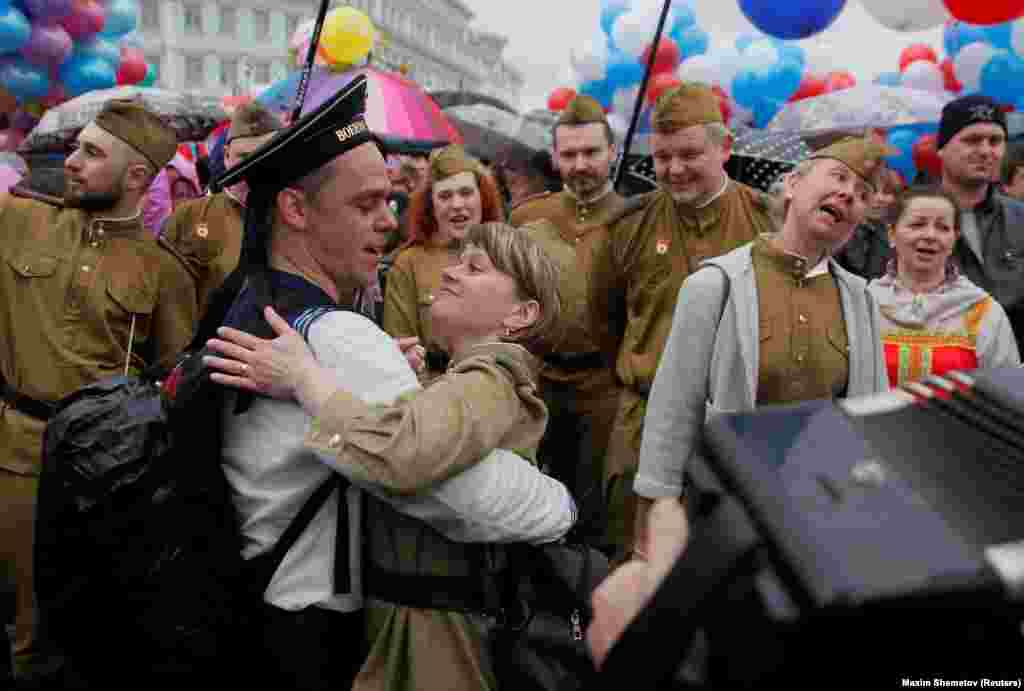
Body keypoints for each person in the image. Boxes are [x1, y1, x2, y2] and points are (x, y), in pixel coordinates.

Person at [203, 221, 572, 691]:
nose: (452, 273)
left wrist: (306, 379)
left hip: (439, 629)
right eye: (457, 261)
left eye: (475, 267)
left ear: (521, 314)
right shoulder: (469, 381)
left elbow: (408, 454)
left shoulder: (491, 378)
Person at [0, 97, 196, 686]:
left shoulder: (164, 272)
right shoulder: (19, 220)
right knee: (19, 624)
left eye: (92, 152)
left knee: (79, 630)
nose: (73, 160)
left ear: (138, 176)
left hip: (101, 478)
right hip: (14, 453)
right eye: (76, 147)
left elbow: (174, 385)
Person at [634, 136, 892, 548]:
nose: (848, 194)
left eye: (862, 194)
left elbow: (869, 419)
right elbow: (673, 409)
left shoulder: (862, 300)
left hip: (820, 517)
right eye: (839, 177)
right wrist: (654, 515)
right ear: (792, 184)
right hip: (726, 513)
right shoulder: (714, 285)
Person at [587, 82, 774, 557]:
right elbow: (604, 321)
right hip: (643, 423)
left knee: (723, 563)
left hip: (733, 428)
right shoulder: (630, 225)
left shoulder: (767, 223)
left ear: (724, 148)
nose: (672, 170)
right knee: (635, 561)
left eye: (689, 154)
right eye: (662, 157)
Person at [508, 94, 627, 549]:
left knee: (594, 515)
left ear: (611, 152)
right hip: (535, 383)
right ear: (555, 158)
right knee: (529, 506)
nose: (581, 164)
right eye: (570, 154)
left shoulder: (636, 221)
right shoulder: (527, 218)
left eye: (592, 152)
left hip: (605, 388)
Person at [868, 185, 1020, 386]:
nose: (930, 235)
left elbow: (1006, 392)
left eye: (943, 227)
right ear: (891, 234)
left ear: (954, 239)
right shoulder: (864, 304)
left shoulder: (982, 311)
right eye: (917, 224)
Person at [382, 145, 505, 379]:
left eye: (466, 193)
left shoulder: (505, 254)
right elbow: (402, 351)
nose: (457, 204)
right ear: (431, 205)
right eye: (445, 196)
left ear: (483, 198)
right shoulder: (409, 264)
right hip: (436, 397)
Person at [161, 101, 283, 334]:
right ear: (226, 156)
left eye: (266, 156)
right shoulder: (191, 217)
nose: (254, 166)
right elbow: (169, 308)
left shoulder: (295, 218)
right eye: (244, 156)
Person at [936, 94, 1024, 356]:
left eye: (995, 141)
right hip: (942, 380)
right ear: (942, 147)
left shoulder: (1020, 219)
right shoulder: (909, 221)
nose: (985, 150)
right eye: (972, 140)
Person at [833, 164, 905, 280]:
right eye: (873, 191)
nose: (880, 198)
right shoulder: (840, 228)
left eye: (887, 192)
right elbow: (854, 265)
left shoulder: (897, 231)